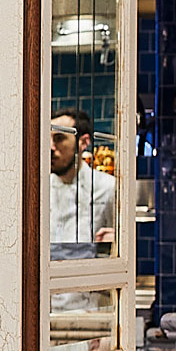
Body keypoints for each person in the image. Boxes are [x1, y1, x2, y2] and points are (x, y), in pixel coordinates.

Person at [49, 108, 116, 257]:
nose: (50, 148)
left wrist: (115, 241)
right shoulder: (40, 189)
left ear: (83, 142)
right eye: (48, 139)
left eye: (59, 138)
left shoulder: (108, 187)